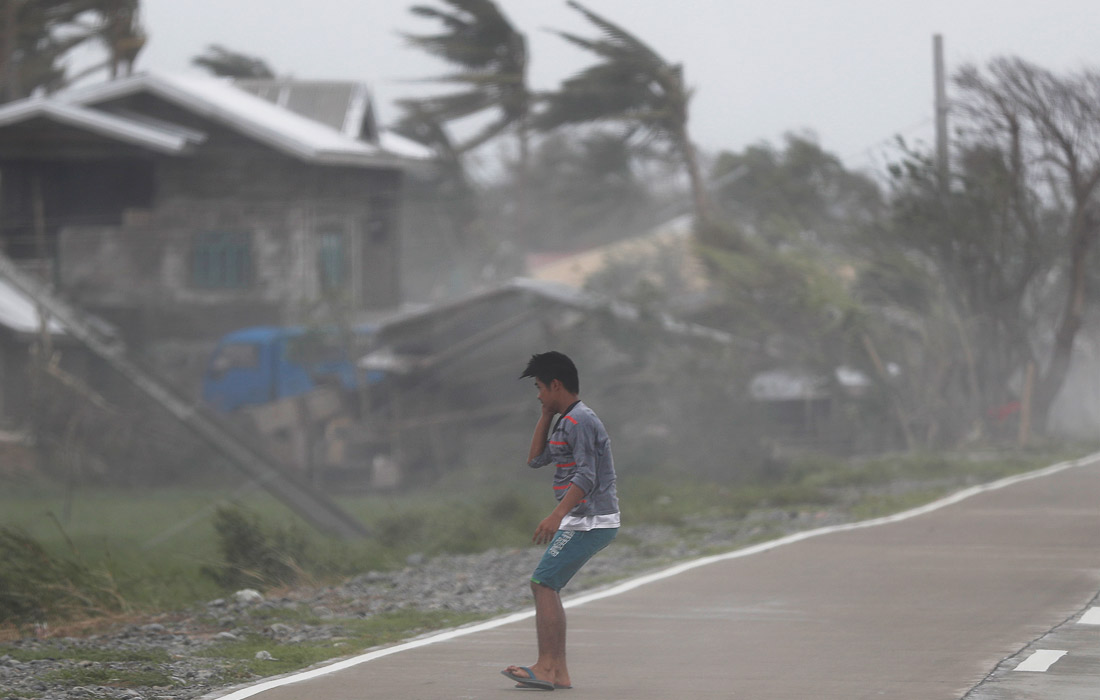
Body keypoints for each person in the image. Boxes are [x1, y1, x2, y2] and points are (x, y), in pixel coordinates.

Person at [501, 351, 620, 691]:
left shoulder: (581, 421)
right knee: (546, 585)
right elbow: (536, 459)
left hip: (591, 520)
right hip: (581, 519)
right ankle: (558, 672)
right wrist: (545, 414)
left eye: (540, 388)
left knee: (543, 584)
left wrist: (557, 515)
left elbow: (587, 476)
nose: (538, 394)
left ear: (556, 384)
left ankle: (546, 667)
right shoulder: (564, 420)